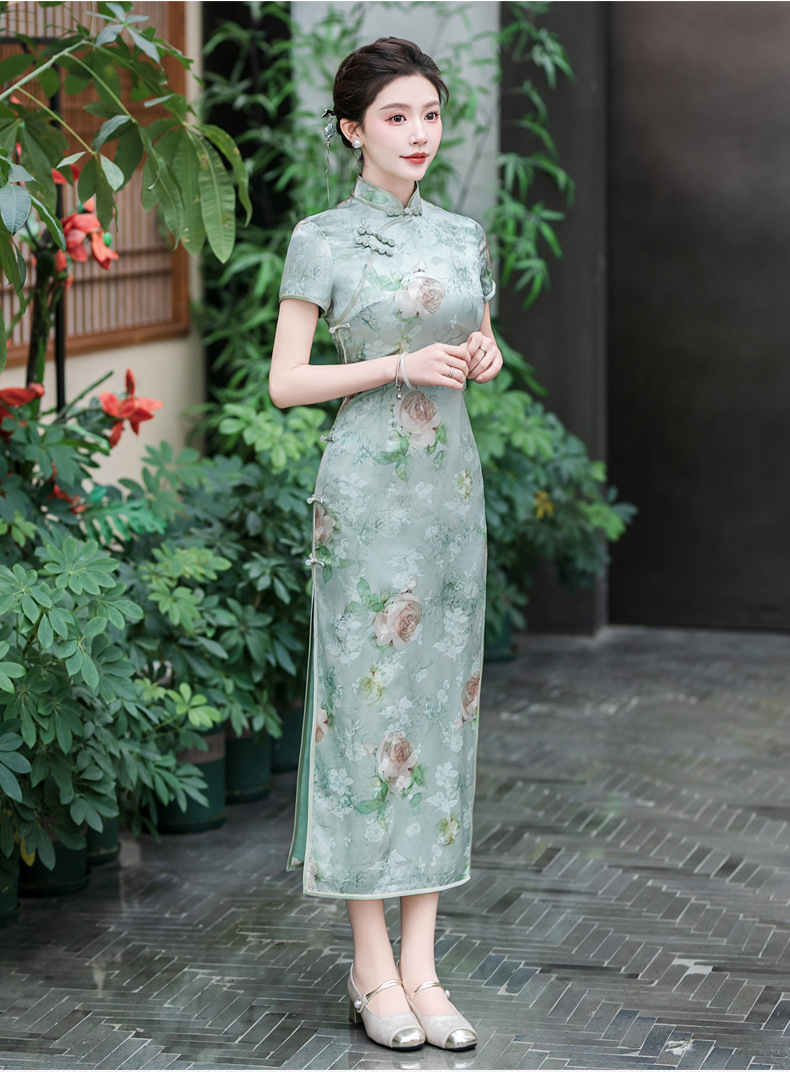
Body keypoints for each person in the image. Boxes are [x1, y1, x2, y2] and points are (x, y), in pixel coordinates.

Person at [269, 37, 503, 1052]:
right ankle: (371, 970)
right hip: (365, 499)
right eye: (396, 116)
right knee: (367, 718)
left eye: (430, 115)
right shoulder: (320, 238)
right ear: (351, 129)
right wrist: (397, 364)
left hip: (449, 496)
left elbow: (480, 342)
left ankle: (424, 968)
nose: (418, 134)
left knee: (442, 717)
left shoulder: (463, 235)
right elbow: (286, 382)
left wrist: (481, 354)